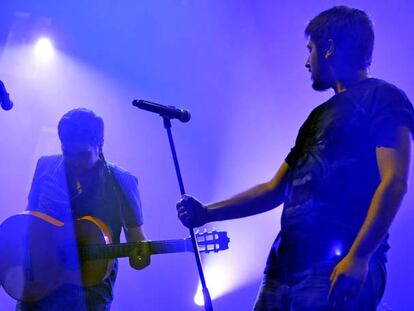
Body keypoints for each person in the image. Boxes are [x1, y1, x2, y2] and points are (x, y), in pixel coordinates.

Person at [177, 6, 414, 310]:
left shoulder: (383, 97)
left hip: (332, 267)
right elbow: (275, 189)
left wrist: (359, 256)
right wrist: (207, 214)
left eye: (310, 49)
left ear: (329, 47)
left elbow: (394, 180)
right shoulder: (317, 116)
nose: (306, 61)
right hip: (283, 268)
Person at [17, 108, 150, 310]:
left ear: (101, 145)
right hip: (37, 289)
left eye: (82, 154)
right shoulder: (45, 166)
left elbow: (137, 245)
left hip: (88, 297)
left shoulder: (121, 181)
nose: (73, 161)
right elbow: (27, 222)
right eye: (66, 152)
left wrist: (142, 254)